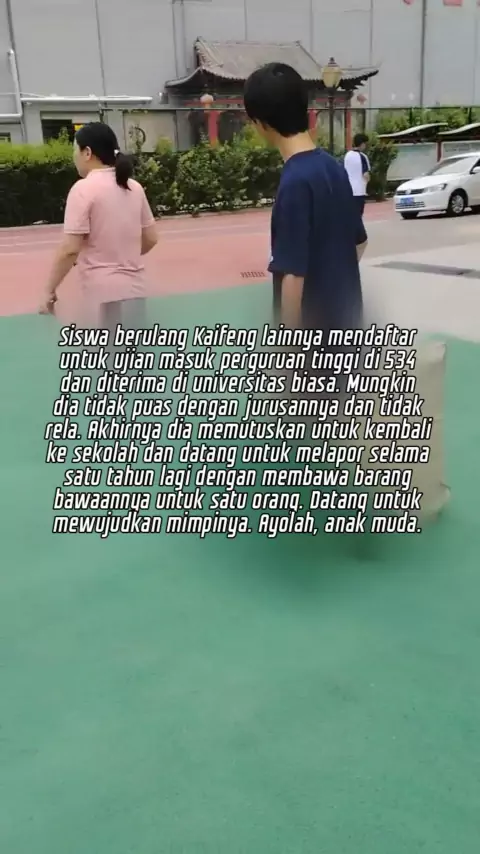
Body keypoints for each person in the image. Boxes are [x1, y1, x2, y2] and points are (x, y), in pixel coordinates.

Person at [243, 63, 367, 333]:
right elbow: (360, 242)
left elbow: (292, 276)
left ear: (261, 124)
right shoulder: (334, 167)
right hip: (348, 329)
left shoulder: (294, 182)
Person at [39, 122, 158, 326]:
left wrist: (48, 290)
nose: (74, 156)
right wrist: (121, 255)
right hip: (136, 292)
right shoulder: (134, 187)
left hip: (102, 295)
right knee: (132, 346)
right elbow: (151, 238)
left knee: (104, 346)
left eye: (75, 150)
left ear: (87, 152)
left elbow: (69, 249)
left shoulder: (83, 189)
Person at [344, 133, 371, 219]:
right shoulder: (363, 157)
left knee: (350, 216)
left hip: (348, 191)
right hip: (359, 191)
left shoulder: (347, 155)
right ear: (362, 144)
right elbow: (365, 174)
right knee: (358, 216)